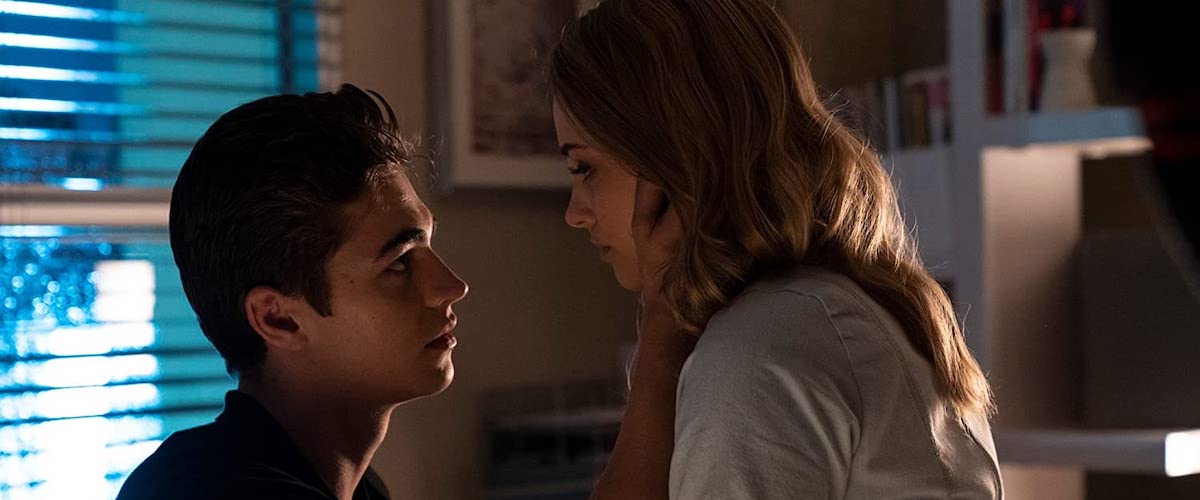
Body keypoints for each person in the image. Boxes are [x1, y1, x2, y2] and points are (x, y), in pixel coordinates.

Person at [548, 1, 1001, 498]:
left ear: (675, 158)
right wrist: (662, 331)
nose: (575, 213)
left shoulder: (757, 354)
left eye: (584, 168)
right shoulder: (841, 309)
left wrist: (659, 347)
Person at [117, 84, 469, 500]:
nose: (453, 286)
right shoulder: (211, 492)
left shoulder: (357, 487)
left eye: (428, 244)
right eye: (398, 262)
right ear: (278, 318)